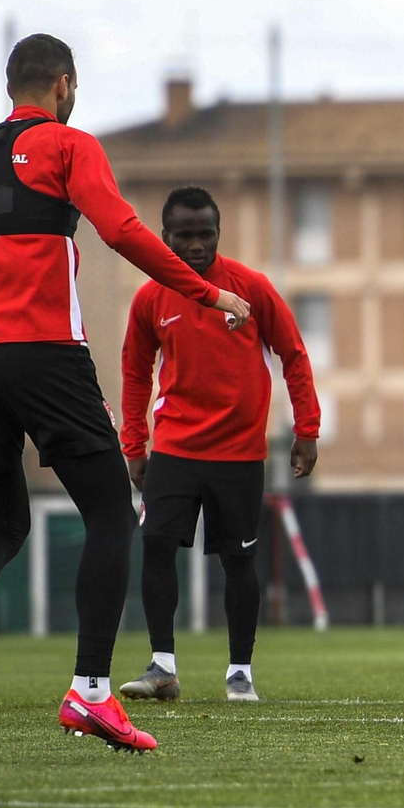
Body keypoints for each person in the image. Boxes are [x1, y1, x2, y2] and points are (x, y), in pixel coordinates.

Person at [0, 34, 251, 753]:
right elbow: (121, 229)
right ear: (63, 84)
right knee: (113, 512)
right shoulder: (68, 147)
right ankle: (90, 692)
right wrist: (205, 294)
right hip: (43, 351)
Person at [117, 186, 320, 704]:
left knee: (238, 561)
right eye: (183, 235)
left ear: (217, 233)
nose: (195, 245)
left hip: (240, 452)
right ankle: (162, 667)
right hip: (175, 448)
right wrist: (134, 444)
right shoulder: (150, 298)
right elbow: (136, 373)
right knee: (157, 545)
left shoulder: (251, 287)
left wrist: (307, 430)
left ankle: (240, 674)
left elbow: (293, 354)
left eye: (205, 234)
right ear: (164, 237)